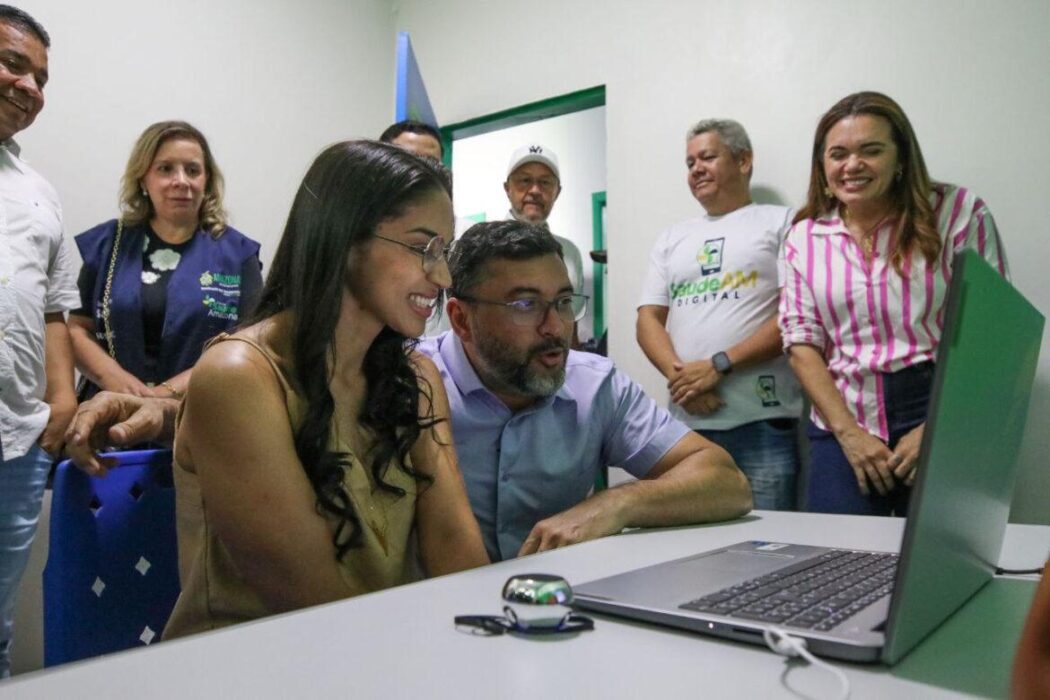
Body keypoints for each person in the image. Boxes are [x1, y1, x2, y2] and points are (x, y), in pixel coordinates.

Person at [157, 140, 488, 638]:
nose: (442, 277)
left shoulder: (416, 377)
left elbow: (455, 552)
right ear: (343, 239)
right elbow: (313, 604)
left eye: (445, 252)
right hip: (253, 666)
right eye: (423, 248)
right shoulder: (240, 377)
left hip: (379, 655)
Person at [418, 220, 752, 562]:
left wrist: (619, 502)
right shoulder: (408, 383)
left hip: (558, 590)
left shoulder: (594, 385)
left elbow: (728, 483)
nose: (555, 327)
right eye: (525, 305)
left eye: (564, 301)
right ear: (461, 320)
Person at [779, 91, 1008, 515]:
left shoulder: (958, 213)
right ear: (822, 165)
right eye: (838, 154)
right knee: (837, 553)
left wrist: (937, 427)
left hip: (940, 405)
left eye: (871, 150)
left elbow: (990, 332)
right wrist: (849, 434)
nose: (852, 165)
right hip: (843, 416)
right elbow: (801, 343)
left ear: (901, 157)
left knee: (940, 551)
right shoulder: (803, 237)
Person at [636, 119, 803, 510]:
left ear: (743, 161)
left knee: (769, 540)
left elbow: (796, 315)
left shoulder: (783, 222)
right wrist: (684, 381)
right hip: (686, 428)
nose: (696, 169)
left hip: (761, 423)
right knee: (689, 542)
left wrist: (719, 366)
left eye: (707, 157)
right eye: (689, 162)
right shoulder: (672, 238)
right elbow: (647, 319)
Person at [68, 121, 263, 403]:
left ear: (206, 180)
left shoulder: (238, 254)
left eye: (192, 170)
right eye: (165, 169)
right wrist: (115, 380)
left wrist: (163, 395)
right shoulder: (106, 244)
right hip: (110, 407)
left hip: (201, 411)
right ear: (143, 179)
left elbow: (250, 344)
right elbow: (77, 329)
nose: (181, 181)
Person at [0, 5, 79, 678]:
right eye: (12, 64)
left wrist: (61, 401)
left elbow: (55, 308)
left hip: (16, 445)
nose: (29, 86)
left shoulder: (38, 194)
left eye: (41, 77)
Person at [504, 143, 584, 294]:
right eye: (525, 180)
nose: (535, 190)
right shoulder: (484, 247)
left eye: (545, 182)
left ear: (557, 192)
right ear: (508, 189)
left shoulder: (570, 253)